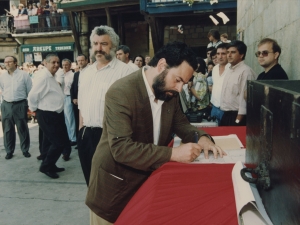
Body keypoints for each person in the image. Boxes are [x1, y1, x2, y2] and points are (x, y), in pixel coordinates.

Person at [86, 41, 226, 224]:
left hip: (146, 189)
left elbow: (182, 125)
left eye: (183, 83)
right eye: (177, 80)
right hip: (114, 192)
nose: (179, 89)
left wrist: (203, 138)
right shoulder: (121, 92)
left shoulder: (168, 93)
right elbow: (121, 149)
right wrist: (173, 154)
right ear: (161, 66)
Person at [77, 25, 135, 186]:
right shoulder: (85, 73)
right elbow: (81, 105)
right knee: (91, 182)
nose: (98, 48)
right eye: (95, 44)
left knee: (110, 185)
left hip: (111, 137)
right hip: (86, 135)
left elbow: (133, 109)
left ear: (113, 47)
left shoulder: (126, 73)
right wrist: (81, 131)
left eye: (103, 44)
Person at [28, 54, 70, 179]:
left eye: (58, 62)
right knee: (58, 143)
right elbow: (32, 96)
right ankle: (46, 166)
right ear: (45, 63)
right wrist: (34, 109)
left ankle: (51, 164)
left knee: (48, 142)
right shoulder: (44, 77)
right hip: (46, 114)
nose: (56, 65)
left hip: (54, 114)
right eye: (53, 62)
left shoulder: (51, 76)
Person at [0, 56, 32, 160]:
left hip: (20, 104)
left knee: (22, 128)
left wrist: (29, 106)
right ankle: (9, 151)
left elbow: (30, 91)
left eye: (9, 62)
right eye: (5, 62)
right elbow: (1, 90)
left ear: (15, 63)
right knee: (8, 130)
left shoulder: (24, 75)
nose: (7, 64)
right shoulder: (2, 77)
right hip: (6, 104)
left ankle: (25, 150)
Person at [220, 40, 257, 126]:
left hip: (237, 117)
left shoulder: (246, 71)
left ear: (241, 55)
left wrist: (237, 121)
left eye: (233, 52)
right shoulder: (229, 69)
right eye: (228, 52)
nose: (229, 55)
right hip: (226, 115)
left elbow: (244, 99)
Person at [70, 54, 89, 145]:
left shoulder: (90, 72)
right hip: (77, 102)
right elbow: (73, 86)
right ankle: (79, 141)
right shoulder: (76, 74)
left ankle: (85, 140)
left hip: (86, 101)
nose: (80, 62)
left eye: (82, 60)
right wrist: (73, 98)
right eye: (79, 61)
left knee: (85, 121)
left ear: (86, 61)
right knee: (77, 121)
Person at [210, 43, 229, 125]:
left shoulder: (232, 69)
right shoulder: (214, 69)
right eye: (218, 54)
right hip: (214, 108)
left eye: (223, 54)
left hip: (227, 110)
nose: (220, 56)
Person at [61, 59, 77, 152]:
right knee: (65, 119)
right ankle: (69, 136)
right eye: (63, 65)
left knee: (70, 118)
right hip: (61, 97)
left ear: (70, 65)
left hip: (68, 97)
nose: (64, 67)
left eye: (66, 65)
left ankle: (74, 138)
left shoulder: (73, 75)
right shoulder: (60, 74)